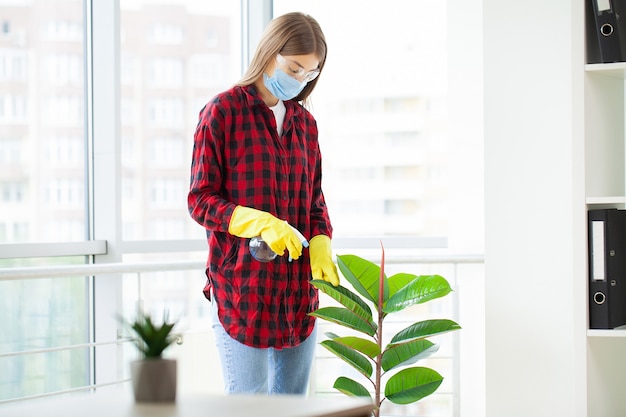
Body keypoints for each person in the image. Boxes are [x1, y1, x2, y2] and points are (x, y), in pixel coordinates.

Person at [187, 12, 339, 396]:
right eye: (294, 67)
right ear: (270, 53)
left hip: (298, 296)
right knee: (249, 406)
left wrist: (321, 240)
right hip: (243, 293)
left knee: (294, 405)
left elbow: (315, 202)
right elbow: (200, 200)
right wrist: (257, 222)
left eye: (310, 73)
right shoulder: (222, 113)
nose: (301, 79)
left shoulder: (305, 126)